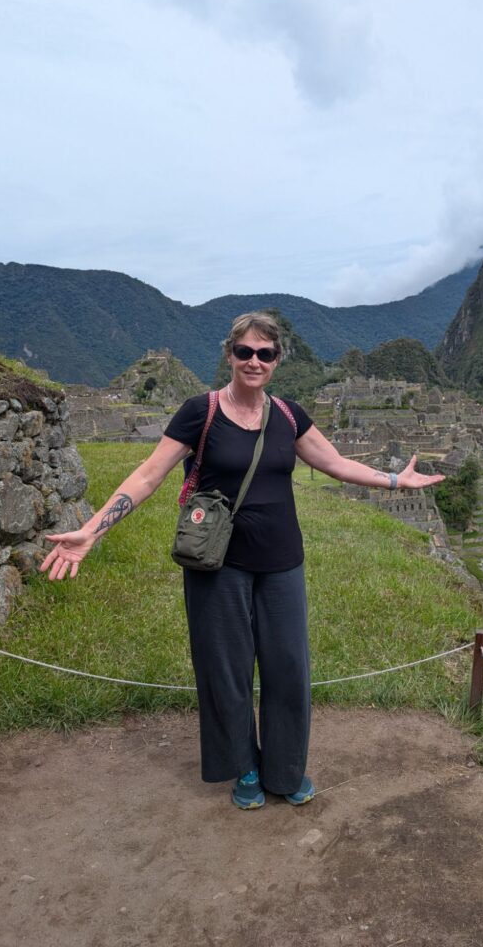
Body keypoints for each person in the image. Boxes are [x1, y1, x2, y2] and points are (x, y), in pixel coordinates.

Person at [41, 312, 444, 810]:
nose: (255, 361)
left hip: (282, 562)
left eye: (265, 353)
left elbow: (335, 463)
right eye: (245, 352)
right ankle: (243, 766)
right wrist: (93, 529)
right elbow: (148, 475)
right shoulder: (201, 412)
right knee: (225, 669)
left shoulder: (289, 416)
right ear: (230, 355)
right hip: (217, 564)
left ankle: (285, 768)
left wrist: (396, 481)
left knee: (289, 668)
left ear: (277, 360)